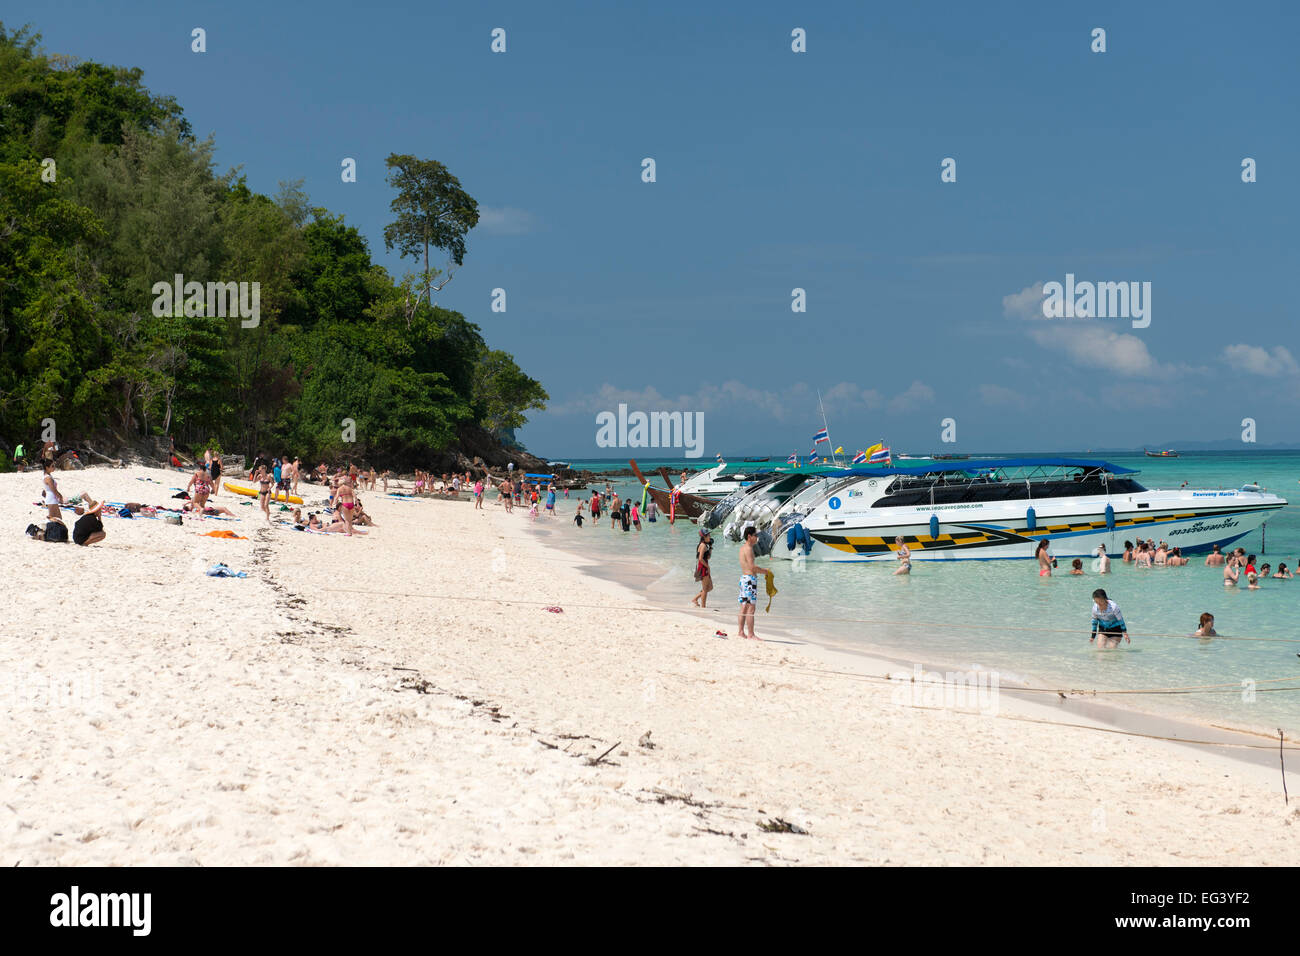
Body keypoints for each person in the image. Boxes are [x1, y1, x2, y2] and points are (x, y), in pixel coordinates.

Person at [736, 526, 769, 641]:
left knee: (744, 607)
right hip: (749, 580)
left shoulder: (742, 548)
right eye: (755, 535)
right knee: (751, 609)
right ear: (749, 536)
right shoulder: (749, 549)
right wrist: (765, 571)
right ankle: (751, 634)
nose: (757, 538)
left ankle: (741, 632)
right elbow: (752, 567)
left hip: (744, 578)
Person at [692, 529, 714, 607]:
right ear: (704, 537)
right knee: (705, 588)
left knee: (710, 587)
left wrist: (711, 547)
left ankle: (695, 599)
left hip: (704, 566)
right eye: (708, 535)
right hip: (703, 567)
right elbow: (700, 558)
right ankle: (703, 606)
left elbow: (708, 558)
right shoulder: (703, 545)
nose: (710, 537)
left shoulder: (705, 545)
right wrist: (707, 567)